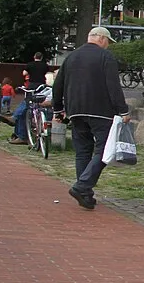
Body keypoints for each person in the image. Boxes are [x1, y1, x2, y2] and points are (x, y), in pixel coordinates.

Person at [53, 26, 130, 210]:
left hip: (75, 110)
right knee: (104, 150)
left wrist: (58, 109)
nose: (108, 46)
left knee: (82, 151)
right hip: (100, 111)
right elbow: (113, 86)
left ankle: (85, 193)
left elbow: (58, 85)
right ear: (102, 39)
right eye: (108, 43)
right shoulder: (106, 57)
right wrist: (123, 110)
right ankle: (83, 186)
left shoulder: (71, 57)